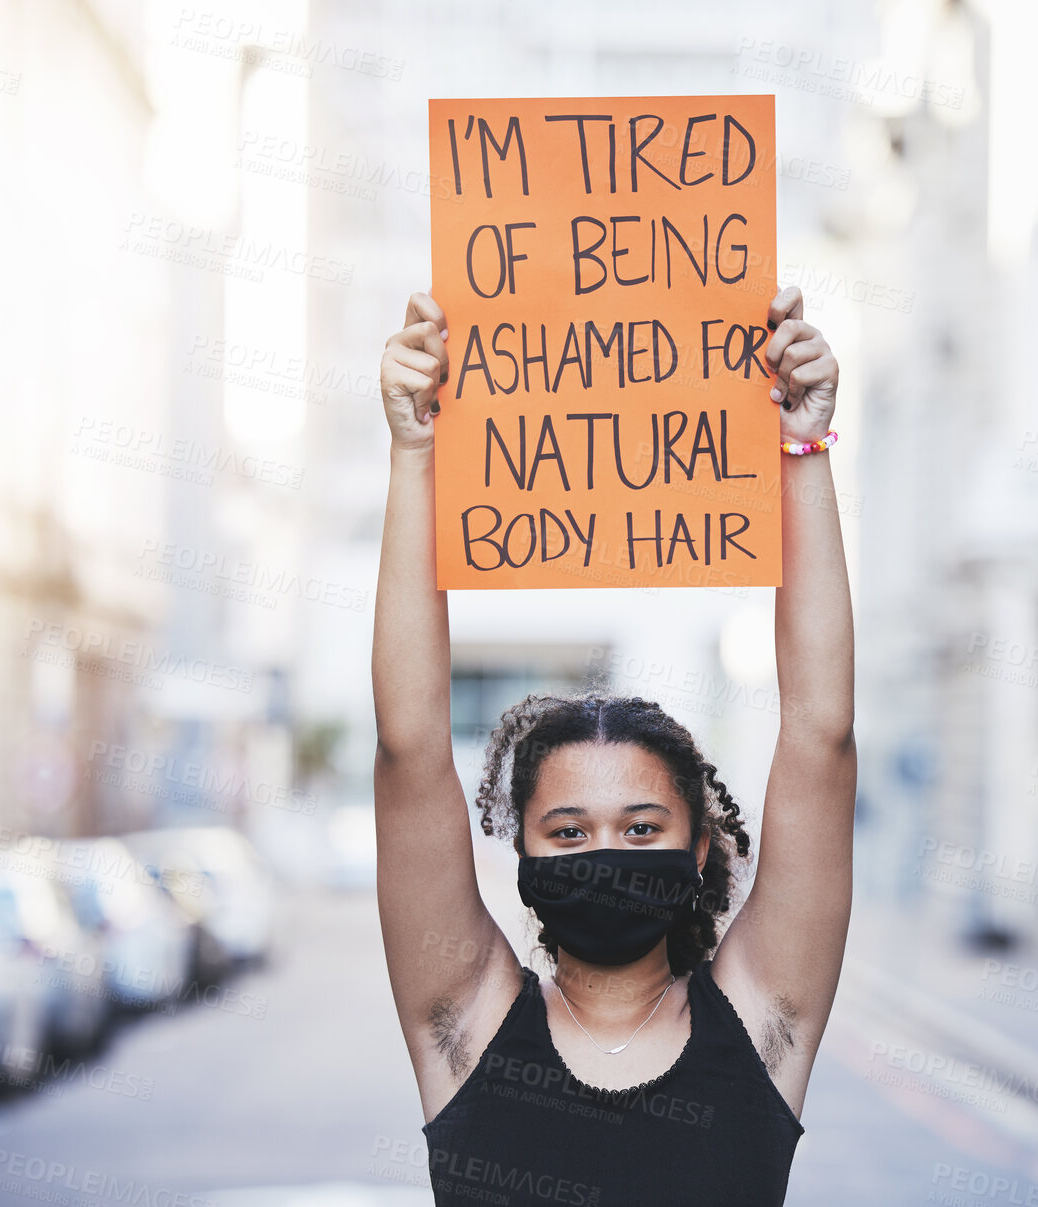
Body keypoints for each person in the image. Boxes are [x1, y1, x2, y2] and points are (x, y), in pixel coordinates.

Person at [372, 284, 856, 1206]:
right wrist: (415, 452)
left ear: (701, 845)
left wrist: (803, 445)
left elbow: (821, 736)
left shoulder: (762, 1022)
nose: (604, 852)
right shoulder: (465, 1024)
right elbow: (408, 748)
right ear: (520, 850)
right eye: (568, 830)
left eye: (641, 828)